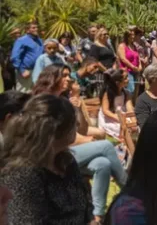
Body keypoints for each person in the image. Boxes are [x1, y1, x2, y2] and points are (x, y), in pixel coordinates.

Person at [0, 95, 94, 224]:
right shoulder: (22, 176)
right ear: (55, 130)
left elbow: (85, 207)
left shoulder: (66, 161)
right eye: (72, 121)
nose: (77, 124)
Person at [98, 68, 135, 139]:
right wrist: (117, 117)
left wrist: (132, 119)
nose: (128, 79)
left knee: (133, 125)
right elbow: (105, 110)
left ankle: (128, 142)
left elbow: (130, 108)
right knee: (119, 127)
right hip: (110, 116)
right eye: (125, 78)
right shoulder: (108, 94)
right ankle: (122, 141)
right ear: (118, 83)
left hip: (122, 114)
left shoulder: (126, 93)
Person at [10, 21, 43, 93]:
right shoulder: (21, 40)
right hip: (26, 71)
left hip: (37, 71)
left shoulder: (40, 41)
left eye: (37, 27)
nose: (36, 29)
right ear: (27, 30)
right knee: (22, 94)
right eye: (33, 28)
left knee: (35, 93)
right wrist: (22, 70)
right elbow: (15, 57)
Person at [117, 28, 142, 94]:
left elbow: (137, 57)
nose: (133, 36)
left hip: (136, 71)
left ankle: (133, 104)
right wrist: (132, 67)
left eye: (134, 35)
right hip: (127, 71)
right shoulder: (122, 46)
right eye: (131, 35)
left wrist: (140, 66)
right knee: (130, 90)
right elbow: (123, 58)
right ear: (127, 36)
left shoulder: (134, 46)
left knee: (136, 91)